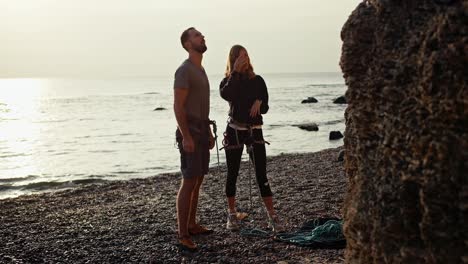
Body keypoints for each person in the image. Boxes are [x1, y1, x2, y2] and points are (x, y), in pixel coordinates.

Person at [219, 45, 283, 232]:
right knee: (232, 174)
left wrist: (260, 101)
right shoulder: (228, 81)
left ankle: (272, 217)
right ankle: (232, 214)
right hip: (234, 130)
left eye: (246, 55)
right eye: (240, 57)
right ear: (233, 60)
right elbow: (227, 94)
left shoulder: (258, 80)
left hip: (255, 130)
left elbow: (265, 108)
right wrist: (236, 73)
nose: (244, 59)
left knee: (261, 174)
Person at [173, 27, 215, 251]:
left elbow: (201, 105)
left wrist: (208, 131)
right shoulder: (184, 70)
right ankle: (182, 234)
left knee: (198, 179)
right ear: (188, 44)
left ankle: (192, 223)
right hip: (189, 132)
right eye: (197, 35)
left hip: (201, 130)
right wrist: (186, 136)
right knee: (188, 181)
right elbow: (178, 106)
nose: (202, 37)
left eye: (201, 35)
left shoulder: (200, 69)